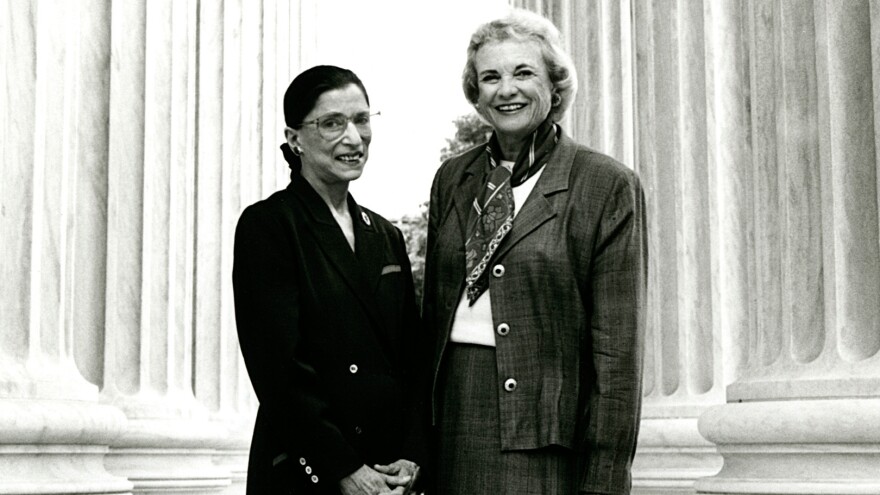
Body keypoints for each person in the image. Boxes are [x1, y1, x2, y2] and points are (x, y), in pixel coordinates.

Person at [422, 9, 647, 495]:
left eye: (524, 73)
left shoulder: (605, 185)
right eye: (490, 77)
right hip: (453, 420)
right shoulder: (452, 178)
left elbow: (617, 351)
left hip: (544, 436)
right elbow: (431, 317)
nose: (506, 90)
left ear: (556, 84)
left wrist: (606, 476)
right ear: (475, 94)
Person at [233, 65, 426, 495]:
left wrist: (413, 455)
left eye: (361, 119)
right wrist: (344, 467)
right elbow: (278, 369)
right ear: (294, 138)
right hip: (310, 469)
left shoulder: (387, 235)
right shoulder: (269, 225)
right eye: (332, 123)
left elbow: (412, 359)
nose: (353, 138)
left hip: (389, 471)